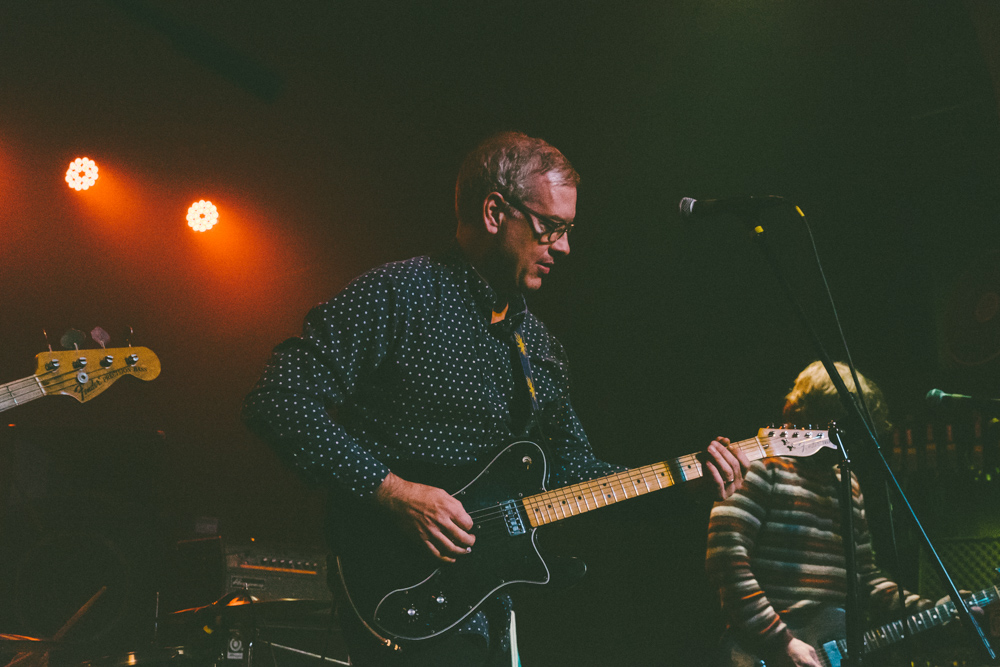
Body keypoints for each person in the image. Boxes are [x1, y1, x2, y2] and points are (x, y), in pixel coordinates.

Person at [243, 131, 749, 666]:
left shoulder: (541, 346)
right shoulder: (399, 294)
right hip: (396, 580)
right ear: (493, 212)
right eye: (551, 227)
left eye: (569, 230)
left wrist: (686, 481)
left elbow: (574, 471)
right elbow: (279, 399)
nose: (565, 246)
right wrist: (392, 492)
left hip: (487, 597)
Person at [706, 361, 931, 667]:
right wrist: (782, 642)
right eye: (839, 423)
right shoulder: (759, 464)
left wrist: (935, 608)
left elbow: (864, 576)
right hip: (762, 652)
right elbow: (727, 560)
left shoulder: (846, 482)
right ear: (804, 414)